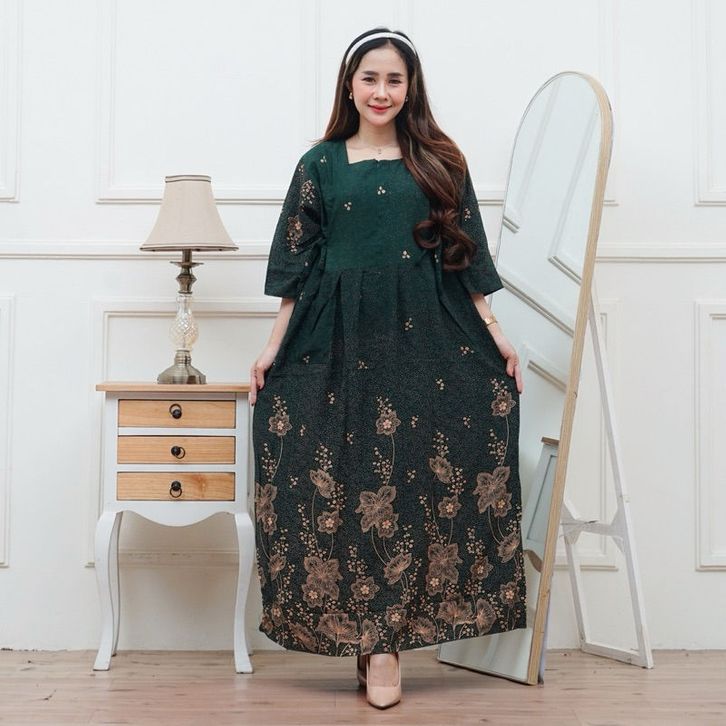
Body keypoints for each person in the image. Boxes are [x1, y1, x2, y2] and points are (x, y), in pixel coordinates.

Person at [249, 27, 527, 709]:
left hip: (425, 335)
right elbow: (296, 270)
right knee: (343, 479)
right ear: (350, 86)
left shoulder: (440, 160)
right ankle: (364, 635)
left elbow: (464, 257)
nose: (381, 92)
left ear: (411, 88)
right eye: (369, 78)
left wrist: (496, 335)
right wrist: (272, 347)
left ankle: (386, 647)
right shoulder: (318, 164)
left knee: (408, 481)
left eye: (394, 80)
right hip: (335, 335)